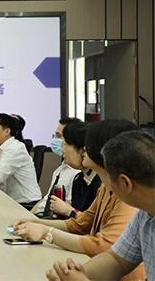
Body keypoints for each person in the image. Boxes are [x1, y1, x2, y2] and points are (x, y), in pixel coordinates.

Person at [14, 119, 146, 281]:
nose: (84, 150)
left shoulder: (128, 197)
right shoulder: (108, 188)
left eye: (88, 145)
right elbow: (113, 256)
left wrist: (48, 233)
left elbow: (104, 245)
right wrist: (75, 273)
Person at [46, 130, 155, 281]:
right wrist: (72, 274)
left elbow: (104, 246)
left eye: (107, 178)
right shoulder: (144, 214)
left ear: (125, 183)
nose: (105, 185)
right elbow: (116, 260)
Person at [32, 118, 83, 217]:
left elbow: (68, 207)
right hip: (41, 216)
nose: (55, 139)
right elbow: (45, 199)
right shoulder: (59, 169)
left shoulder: (76, 173)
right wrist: (28, 217)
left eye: (59, 136)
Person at [48, 121, 101, 218]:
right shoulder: (79, 179)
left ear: (82, 150)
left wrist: (69, 211)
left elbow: (94, 222)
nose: (63, 150)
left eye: (66, 144)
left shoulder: (100, 182)